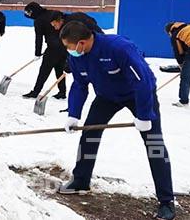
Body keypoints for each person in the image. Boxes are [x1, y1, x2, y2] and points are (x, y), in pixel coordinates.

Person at [59, 21, 175, 220]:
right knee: (90, 134)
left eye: (70, 47)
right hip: (106, 97)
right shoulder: (78, 58)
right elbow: (79, 84)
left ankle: (166, 201)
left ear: (82, 43)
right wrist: (73, 114)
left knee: (154, 142)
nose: (69, 51)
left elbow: (143, 81)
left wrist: (145, 115)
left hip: (138, 94)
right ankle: (80, 180)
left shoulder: (118, 47)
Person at [22, 2, 67, 99]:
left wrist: (37, 53)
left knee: (44, 71)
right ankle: (62, 92)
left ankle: (35, 92)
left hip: (52, 49)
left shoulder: (38, 20)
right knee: (59, 70)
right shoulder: (53, 13)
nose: (29, 16)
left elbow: (39, 38)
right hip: (65, 47)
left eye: (29, 13)